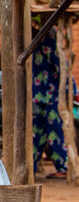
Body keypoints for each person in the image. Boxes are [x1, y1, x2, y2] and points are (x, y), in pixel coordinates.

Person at [31, 25, 71, 179]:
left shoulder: (49, 40)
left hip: (52, 95)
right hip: (40, 95)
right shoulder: (35, 42)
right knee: (37, 134)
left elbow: (63, 69)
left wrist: (70, 90)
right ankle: (32, 167)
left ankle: (63, 167)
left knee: (54, 132)